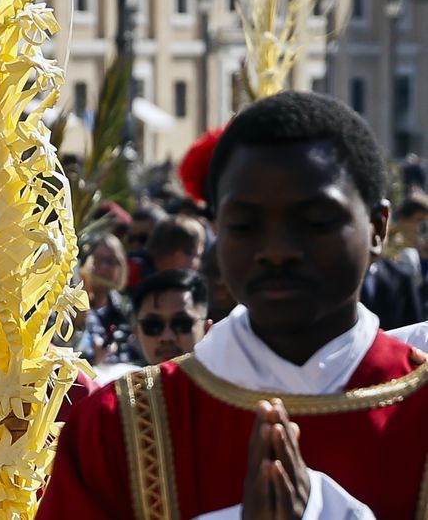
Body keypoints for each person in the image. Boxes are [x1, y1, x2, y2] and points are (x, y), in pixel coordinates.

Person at [37, 91, 428, 519]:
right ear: (219, 228)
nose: (277, 250)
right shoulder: (123, 423)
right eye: (245, 225)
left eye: (315, 222)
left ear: (377, 227)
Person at [74, 234, 141, 374]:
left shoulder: (127, 310)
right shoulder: (70, 307)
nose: (103, 267)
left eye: (111, 261)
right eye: (97, 260)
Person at [132, 269, 209, 365]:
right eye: (152, 325)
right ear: (136, 333)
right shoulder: (123, 379)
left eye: (181, 324)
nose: (167, 337)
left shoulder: (229, 378)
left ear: (207, 330)